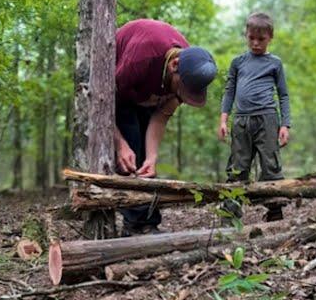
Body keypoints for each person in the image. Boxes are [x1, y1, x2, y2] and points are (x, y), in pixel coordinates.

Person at [115, 19, 217, 236]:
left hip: (149, 93)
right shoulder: (140, 59)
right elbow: (101, 104)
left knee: (145, 162)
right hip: (119, 93)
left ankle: (149, 223)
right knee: (131, 145)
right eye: (182, 90)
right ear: (174, 67)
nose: (182, 96)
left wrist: (152, 157)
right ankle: (133, 225)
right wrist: (120, 144)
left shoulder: (191, 71)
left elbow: (160, 117)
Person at [218, 12, 291, 190]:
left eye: (261, 39)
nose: (256, 43)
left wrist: (285, 125)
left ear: (270, 38)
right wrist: (223, 120)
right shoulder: (238, 62)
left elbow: (283, 95)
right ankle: (230, 213)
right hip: (241, 121)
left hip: (267, 119)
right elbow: (229, 92)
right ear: (246, 35)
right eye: (251, 38)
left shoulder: (275, 63)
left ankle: (275, 211)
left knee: (270, 167)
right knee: (237, 168)